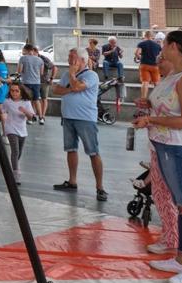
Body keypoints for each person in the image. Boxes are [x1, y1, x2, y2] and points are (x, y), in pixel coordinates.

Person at [130, 31, 182, 283]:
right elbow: (169, 108)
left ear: (174, 46)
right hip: (164, 146)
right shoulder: (174, 76)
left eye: (163, 45)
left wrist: (152, 119)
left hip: (181, 149)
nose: (160, 51)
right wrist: (148, 107)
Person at [51, 49, 107, 201]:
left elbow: (76, 87)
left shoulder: (91, 75)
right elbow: (56, 90)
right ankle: (72, 180)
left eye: (72, 57)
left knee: (93, 151)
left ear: (82, 60)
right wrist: (70, 85)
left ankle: (100, 187)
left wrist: (71, 77)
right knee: (71, 149)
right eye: (69, 56)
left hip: (85, 119)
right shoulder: (66, 74)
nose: (69, 59)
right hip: (68, 116)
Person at [1, 82, 32, 184]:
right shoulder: (7, 101)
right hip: (10, 128)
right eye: (12, 91)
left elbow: (31, 117)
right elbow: (1, 111)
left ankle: (14, 167)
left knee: (19, 152)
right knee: (15, 151)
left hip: (22, 129)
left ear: (21, 92)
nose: (14, 93)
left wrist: (25, 111)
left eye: (16, 91)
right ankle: (16, 174)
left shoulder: (26, 102)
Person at [17, 44, 44, 121]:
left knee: (26, 100)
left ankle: (29, 118)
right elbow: (41, 73)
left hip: (26, 82)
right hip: (36, 82)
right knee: (36, 100)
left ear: (26, 50)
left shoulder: (23, 58)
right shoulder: (40, 60)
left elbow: (19, 70)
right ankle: (41, 118)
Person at [135, 29, 163, 102]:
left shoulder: (142, 43)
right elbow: (161, 56)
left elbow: (137, 53)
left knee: (145, 82)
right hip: (155, 66)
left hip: (144, 65)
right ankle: (158, 98)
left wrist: (141, 58)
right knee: (156, 83)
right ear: (152, 36)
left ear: (145, 36)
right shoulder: (157, 45)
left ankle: (143, 99)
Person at [102, 37, 124, 104]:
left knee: (120, 63)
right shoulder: (105, 46)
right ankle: (106, 77)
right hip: (108, 61)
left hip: (115, 62)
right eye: (112, 42)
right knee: (105, 63)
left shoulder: (117, 47)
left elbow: (121, 57)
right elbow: (104, 54)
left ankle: (120, 77)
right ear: (109, 42)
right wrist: (111, 51)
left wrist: (121, 53)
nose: (114, 43)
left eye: (115, 42)